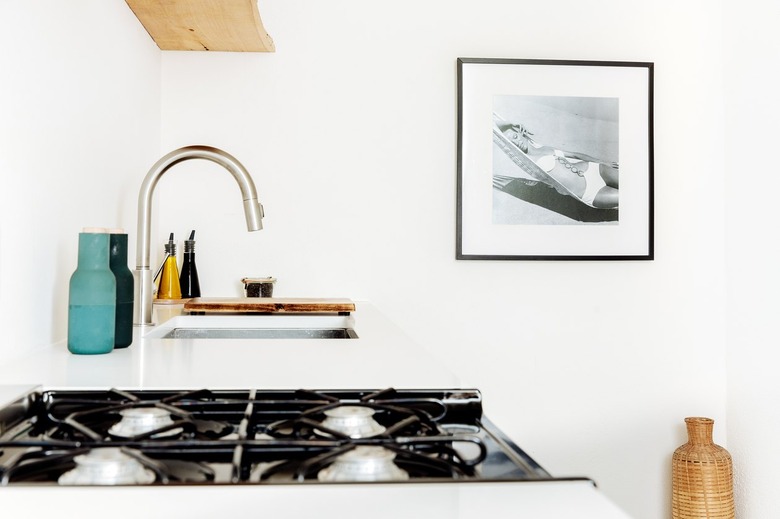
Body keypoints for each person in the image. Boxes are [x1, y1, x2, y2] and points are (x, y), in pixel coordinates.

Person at [494, 114, 619, 209]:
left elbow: (574, 155)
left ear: (520, 133)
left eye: (515, 137)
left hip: (595, 170)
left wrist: (602, 162)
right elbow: (493, 128)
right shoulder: (529, 162)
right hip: (590, 192)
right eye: (512, 143)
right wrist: (509, 125)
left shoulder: (542, 147)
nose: (517, 142)